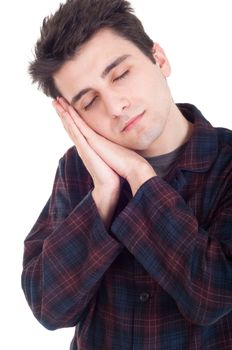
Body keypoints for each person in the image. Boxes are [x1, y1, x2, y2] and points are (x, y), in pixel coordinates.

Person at [21, 0, 232, 349]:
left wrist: (138, 175)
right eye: (89, 103)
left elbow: (213, 295)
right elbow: (49, 307)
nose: (116, 107)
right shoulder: (78, 168)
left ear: (159, 59)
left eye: (120, 75)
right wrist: (103, 194)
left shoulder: (225, 161)